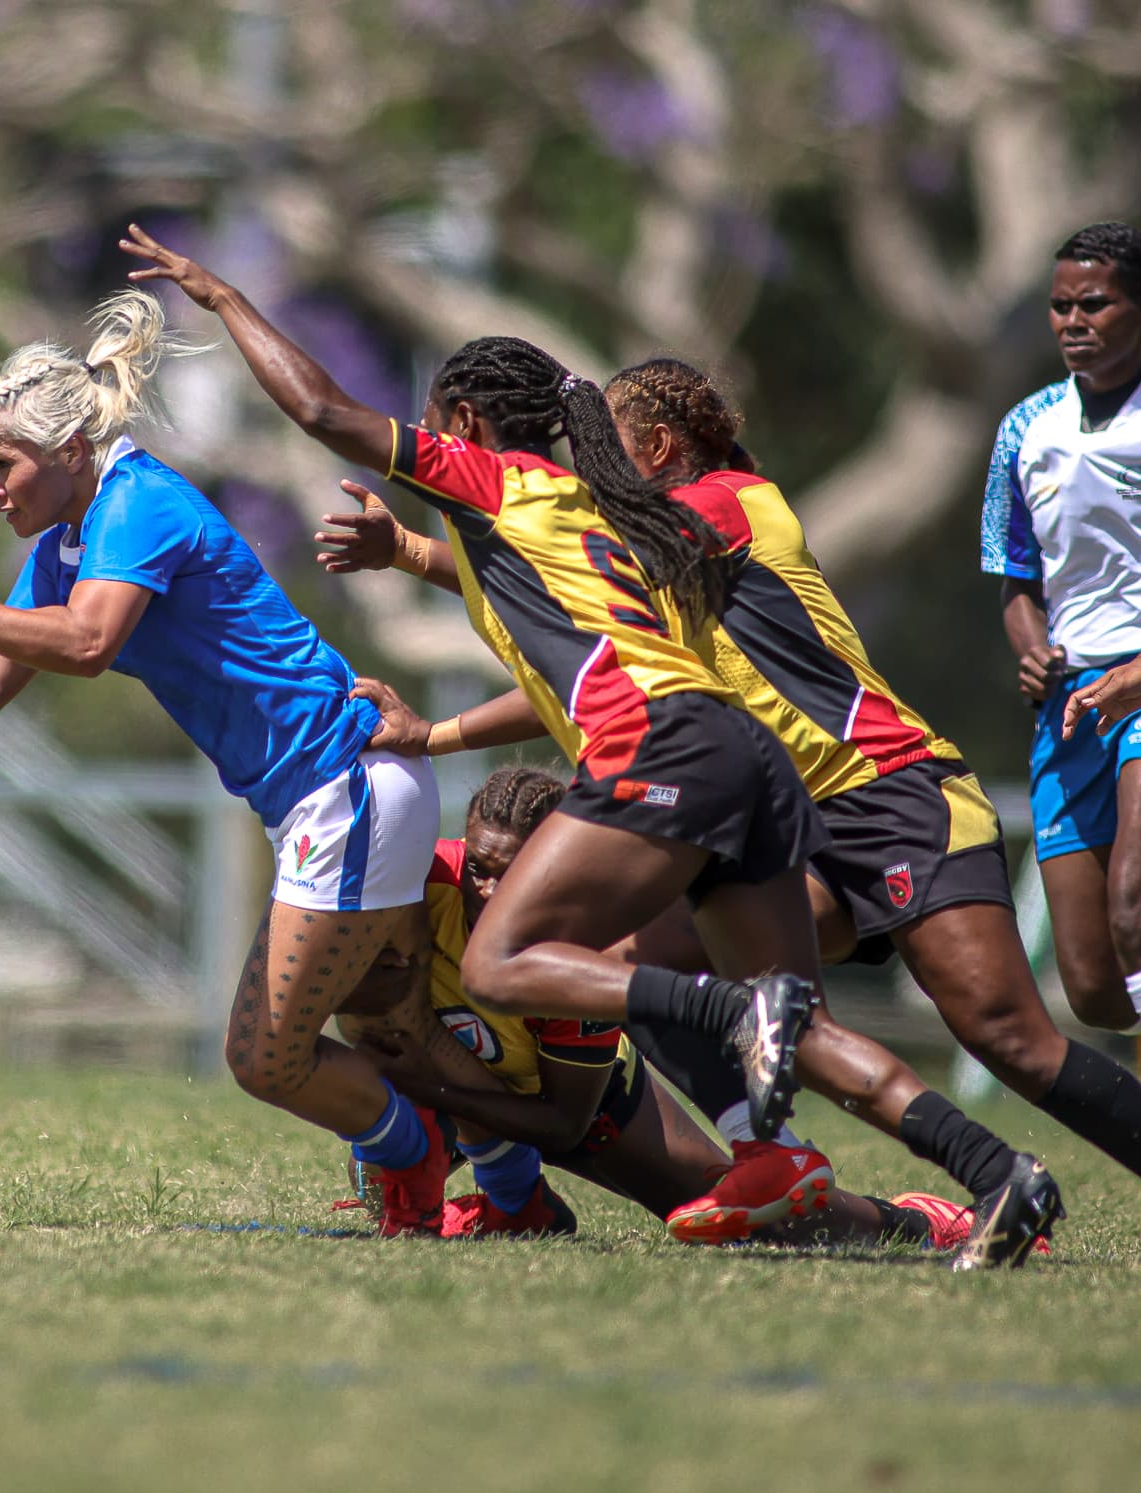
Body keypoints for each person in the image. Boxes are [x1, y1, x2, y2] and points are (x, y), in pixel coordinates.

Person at [119, 223, 1060, 1268]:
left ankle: (727, 1012)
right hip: (742, 755)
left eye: (440, 425)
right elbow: (579, 653)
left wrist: (223, 298)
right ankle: (992, 1174)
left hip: (664, 752)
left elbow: (320, 411)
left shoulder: (494, 480)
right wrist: (411, 572)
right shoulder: (594, 509)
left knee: (504, 958)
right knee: (800, 1033)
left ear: (467, 425)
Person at [332, 357, 1141, 1229]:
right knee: (644, 967)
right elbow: (559, 611)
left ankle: (961, 1172)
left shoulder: (731, 502)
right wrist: (429, 711)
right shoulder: (654, 564)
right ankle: (782, 1156)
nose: (596, 468)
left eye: (614, 446)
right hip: (797, 823)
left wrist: (416, 550)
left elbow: (579, 549)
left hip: (892, 792)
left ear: (659, 444)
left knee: (1008, 1038)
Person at [0, 288, 469, 1238]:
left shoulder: (140, 503)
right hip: (321, 800)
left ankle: (419, 1154)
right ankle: (474, 1175)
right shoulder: (68, 538)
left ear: (69, 452)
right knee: (382, 1028)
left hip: (346, 786)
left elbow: (87, 643)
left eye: (0, 465)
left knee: (269, 1055)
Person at [350, 766, 990, 1254]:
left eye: (509, 874)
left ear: (546, 869)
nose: (487, 891)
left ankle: (922, 1222)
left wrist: (432, 1092)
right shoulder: (422, 884)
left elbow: (564, 1122)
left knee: (761, 1229)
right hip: (485, 1092)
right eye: (479, 868)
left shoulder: (577, 941)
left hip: (590, 1105)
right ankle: (516, 1206)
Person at [985, 223, 1141, 1034]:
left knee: (1132, 901)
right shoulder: (1026, 428)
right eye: (1059, 307)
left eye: (1095, 304)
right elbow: (1017, 582)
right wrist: (1033, 652)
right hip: (1072, 703)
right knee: (1089, 984)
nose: (1073, 321)